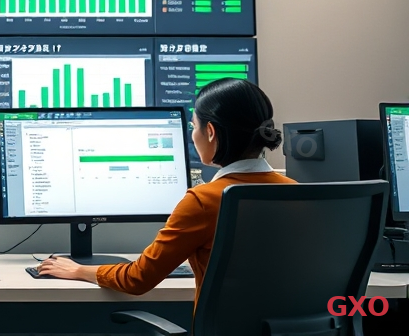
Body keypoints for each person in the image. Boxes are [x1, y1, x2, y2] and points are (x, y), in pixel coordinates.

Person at [35, 78, 294, 306]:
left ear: (211, 131)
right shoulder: (300, 194)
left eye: (194, 126)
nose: (193, 135)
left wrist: (79, 271)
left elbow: (138, 279)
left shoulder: (204, 200)